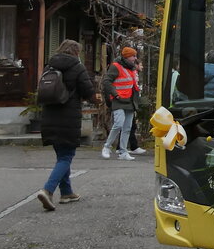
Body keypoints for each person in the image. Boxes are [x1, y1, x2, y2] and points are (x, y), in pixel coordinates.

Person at [35, 39, 99, 211]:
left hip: (49, 116)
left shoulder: (49, 66)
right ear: (76, 52)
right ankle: (47, 190)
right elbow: (88, 91)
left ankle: (66, 192)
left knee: (61, 155)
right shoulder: (77, 67)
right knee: (66, 156)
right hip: (68, 117)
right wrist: (97, 99)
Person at [101, 46, 140, 160]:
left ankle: (123, 152)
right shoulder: (116, 66)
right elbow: (106, 81)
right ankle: (107, 146)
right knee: (118, 124)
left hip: (130, 101)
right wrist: (115, 94)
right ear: (127, 57)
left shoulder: (132, 68)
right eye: (133, 56)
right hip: (118, 100)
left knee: (127, 127)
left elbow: (133, 85)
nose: (135, 58)